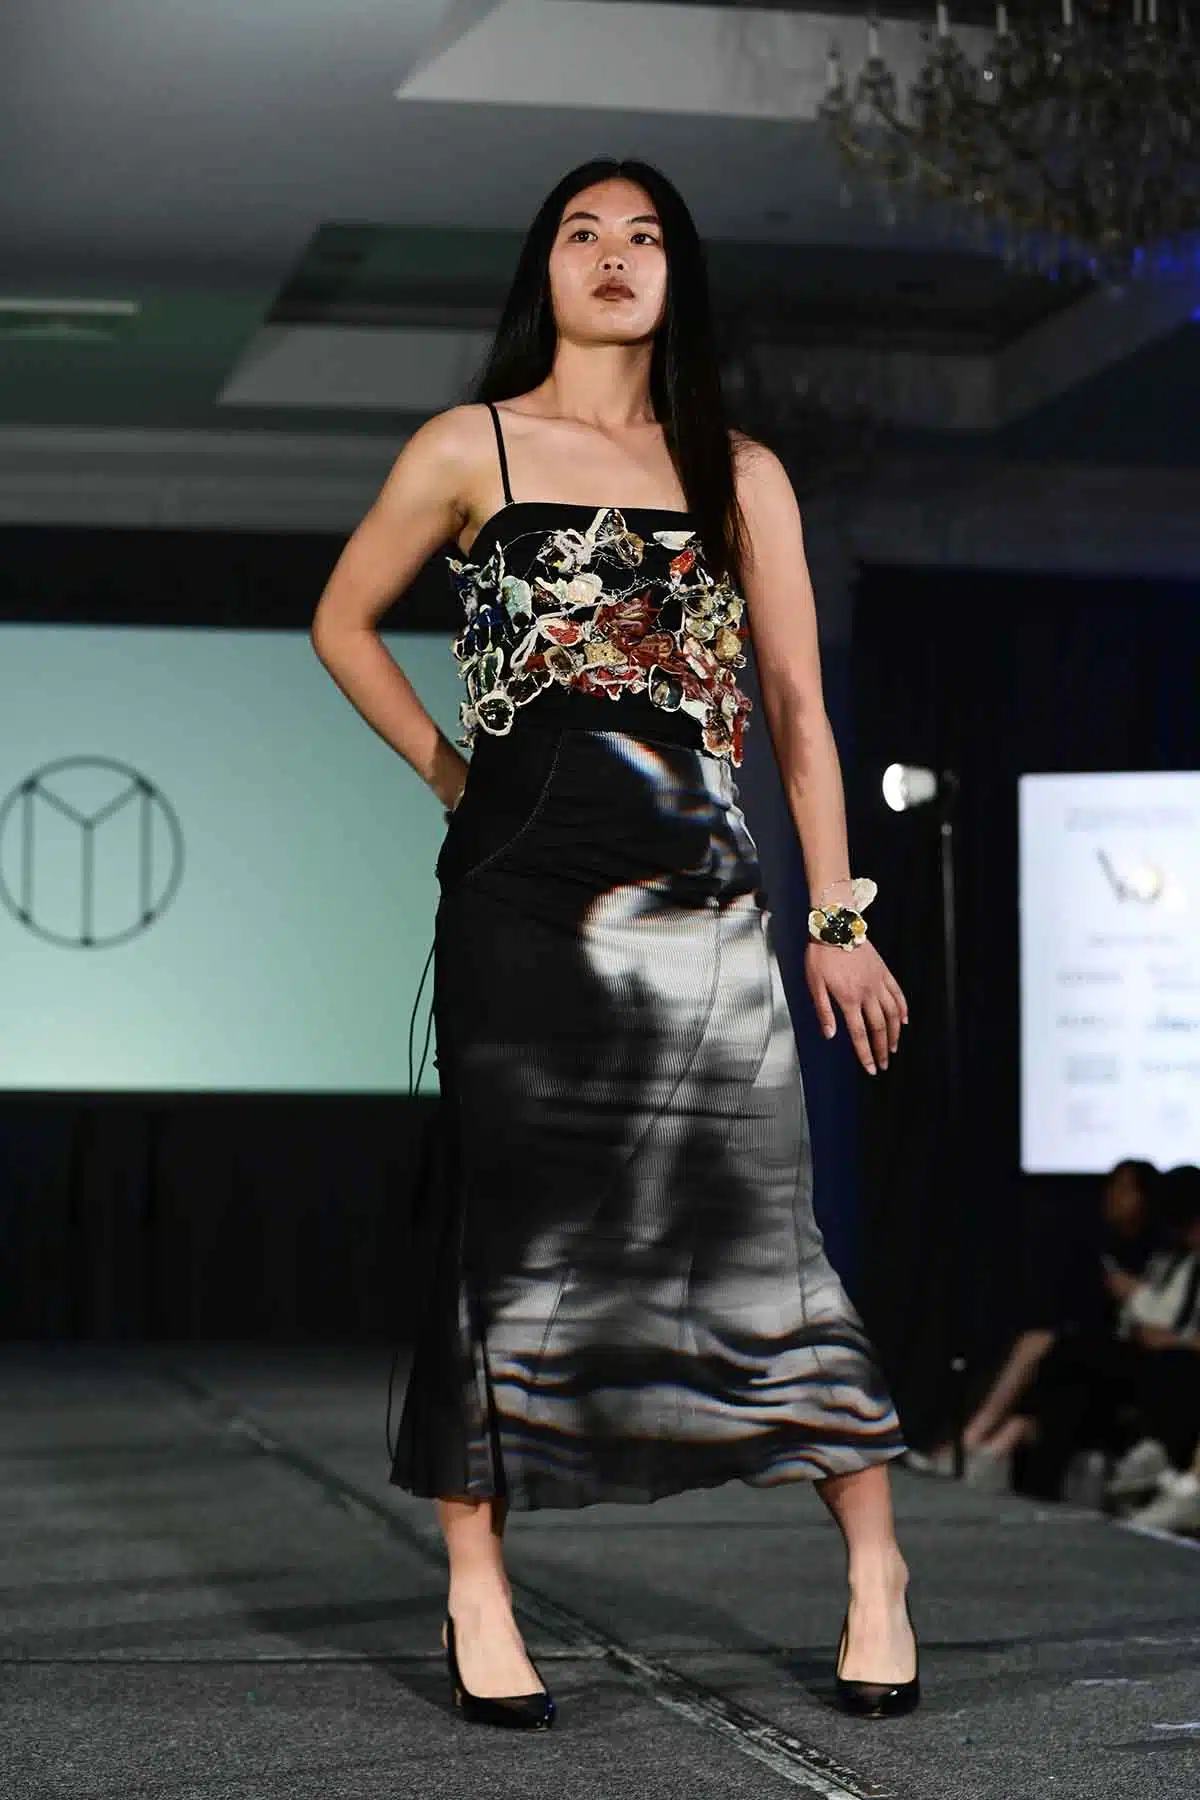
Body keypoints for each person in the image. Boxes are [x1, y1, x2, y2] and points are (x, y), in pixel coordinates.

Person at [311, 157, 918, 1728]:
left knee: (761, 1222)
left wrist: (839, 916)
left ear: (676, 277)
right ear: (547, 268)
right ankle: (478, 1584)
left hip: (703, 898)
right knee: (503, 1233)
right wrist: (453, 775)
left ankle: (876, 1568)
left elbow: (798, 711)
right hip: (519, 902)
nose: (614, 255)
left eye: (645, 236)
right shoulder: (472, 445)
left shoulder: (741, 471)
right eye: (584, 232)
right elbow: (340, 622)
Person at [905, 1158, 1159, 1490]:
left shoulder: (1159, 1255)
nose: (1113, 1196)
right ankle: (980, 1446)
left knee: (1043, 1348)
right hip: (1089, 1358)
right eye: (1112, 1186)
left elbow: (1163, 1317)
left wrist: (1133, 1292)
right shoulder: (1098, 1251)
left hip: (1142, 1359)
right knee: (1041, 1363)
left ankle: (970, 1443)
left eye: (1125, 1189)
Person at [1011, 1164, 1200, 1507]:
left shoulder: (1171, 1260)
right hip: (1143, 1349)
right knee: (1069, 1373)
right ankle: (1038, 1487)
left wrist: (1144, 1308)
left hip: (1172, 1361)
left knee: (1168, 1365)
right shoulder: (1166, 1259)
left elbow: (1169, 1321)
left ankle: (1167, 1468)